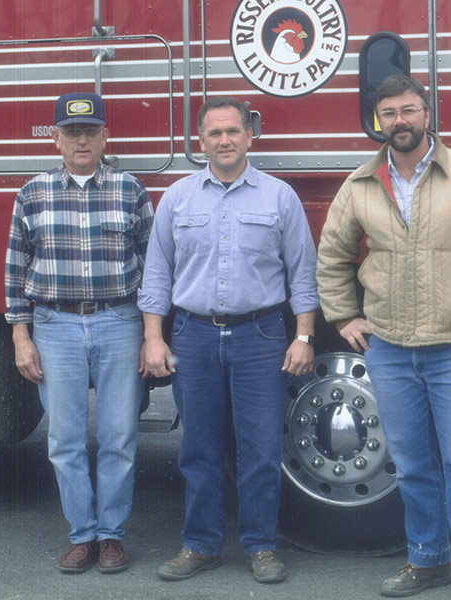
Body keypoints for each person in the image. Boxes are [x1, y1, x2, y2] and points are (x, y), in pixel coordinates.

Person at [316, 75, 451, 599]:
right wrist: (344, 318)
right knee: (411, 466)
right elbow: (333, 256)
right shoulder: (360, 184)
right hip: (387, 347)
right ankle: (429, 561)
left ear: (427, 115)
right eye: (389, 113)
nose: (400, 121)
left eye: (409, 110)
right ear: (378, 122)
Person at [138, 96, 319, 584]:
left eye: (232, 132)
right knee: (198, 448)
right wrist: (153, 338)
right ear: (200, 141)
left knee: (260, 448)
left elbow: (304, 274)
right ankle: (200, 545)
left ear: (249, 136)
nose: (224, 140)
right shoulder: (176, 198)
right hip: (193, 335)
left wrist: (303, 335)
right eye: (214, 133)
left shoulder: (279, 197)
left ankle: (261, 546)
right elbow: (156, 275)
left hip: (260, 334)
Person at [5, 92, 153, 574]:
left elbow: (153, 270)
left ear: (106, 136)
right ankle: (82, 535)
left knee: (119, 436)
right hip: (54, 325)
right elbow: (14, 270)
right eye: (71, 132)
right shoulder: (32, 193)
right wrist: (20, 337)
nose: (82, 140)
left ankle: (111, 535)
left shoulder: (131, 190)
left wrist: (153, 333)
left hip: (119, 320)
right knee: (64, 439)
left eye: (90, 131)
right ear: (56, 140)